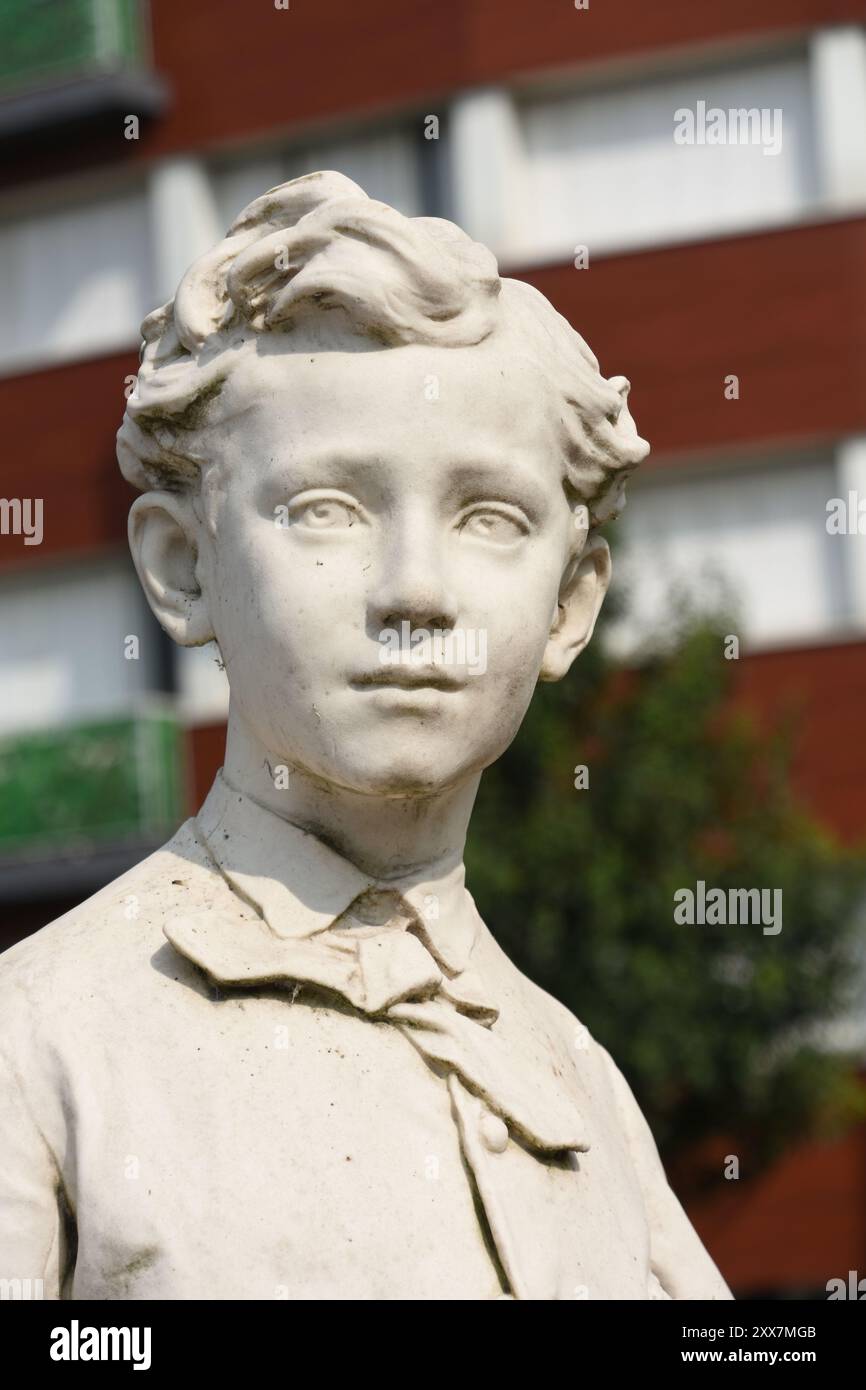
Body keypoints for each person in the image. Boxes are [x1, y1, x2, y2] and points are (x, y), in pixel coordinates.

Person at [0, 172, 731, 1300]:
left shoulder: (579, 1079)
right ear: (183, 567)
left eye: (488, 518)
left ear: (571, 605)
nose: (415, 593)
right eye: (326, 509)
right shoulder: (37, 1044)